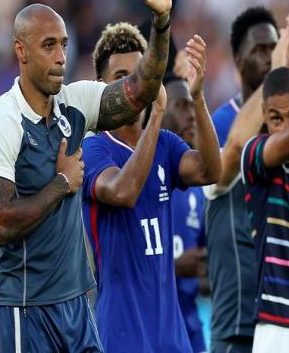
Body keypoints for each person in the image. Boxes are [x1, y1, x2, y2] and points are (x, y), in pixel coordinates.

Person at [0, 0, 171, 352]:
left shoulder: (75, 102)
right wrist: (62, 184)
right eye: (49, 46)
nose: (61, 56)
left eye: (63, 44)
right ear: (20, 51)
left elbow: (141, 90)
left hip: (77, 304)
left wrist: (161, 22)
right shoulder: (1, 119)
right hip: (24, 308)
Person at [82, 23, 220, 352]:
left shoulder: (166, 145)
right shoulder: (93, 148)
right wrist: (157, 111)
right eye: (121, 77)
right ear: (101, 86)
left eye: (140, 75)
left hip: (172, 336)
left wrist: (198, 97)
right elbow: (123, 191)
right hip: (122, 334)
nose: (133, 86)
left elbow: (211, 170)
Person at [205, 7, 280, 353]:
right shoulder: (223, 124)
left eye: (274, 49)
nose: (269, 58)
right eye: (259, 50)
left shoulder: (285, 128)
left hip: (280, 310)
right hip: (239, 314)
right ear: (237, 60)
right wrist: (280, 73)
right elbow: (227, 163)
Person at [240, 66, 289, 352]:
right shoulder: (255, 154)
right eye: (276, 118)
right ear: (263, 115)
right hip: (278, 329)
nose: (284, 127)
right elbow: (283, 143)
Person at [163, 74, 208, 353]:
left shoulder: (199, 188)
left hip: (192, 332)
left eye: (192, 105)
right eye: (181, 106)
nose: (191, 115)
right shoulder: (136, 179)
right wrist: (174, 266)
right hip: (153, 328)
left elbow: (204, 266)